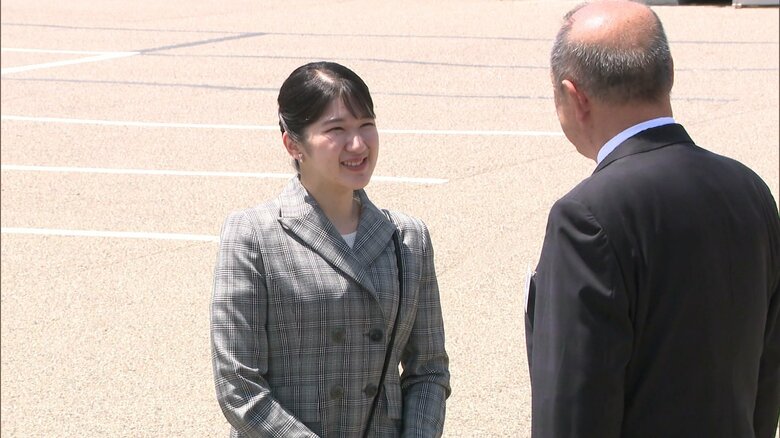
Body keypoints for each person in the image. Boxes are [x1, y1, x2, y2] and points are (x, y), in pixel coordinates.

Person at [524, 1, 780, 437]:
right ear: (669, 74)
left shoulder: (585, 217)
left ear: (574, 96)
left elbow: (572, 410)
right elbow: (767, 376)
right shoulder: (749, 190)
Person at [210, 61, 450, 437]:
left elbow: (429, 370)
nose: (357, 145)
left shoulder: (407, 237)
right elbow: (239, 386)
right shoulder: (253, 235)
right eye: (336, 129)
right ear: (293, 143)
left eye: (366, 125)